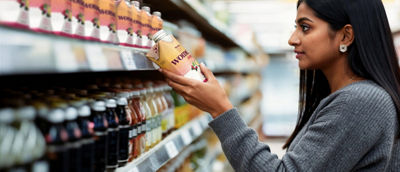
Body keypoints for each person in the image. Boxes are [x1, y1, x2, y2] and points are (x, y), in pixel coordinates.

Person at [160, 0, 400, 171]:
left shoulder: (361, 102)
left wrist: (221, 109)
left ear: (346, 36)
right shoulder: (353, 97)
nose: (292, 39)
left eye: (305, 27)